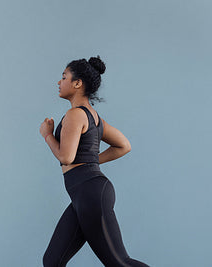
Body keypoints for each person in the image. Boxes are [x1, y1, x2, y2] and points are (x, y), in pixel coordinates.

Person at [39, 55, 150, 267]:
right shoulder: (93, 117)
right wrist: (91, 162)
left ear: (77, 83)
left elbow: (65, 157)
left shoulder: (75, 115)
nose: (59, 82)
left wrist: (47, 135)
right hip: (85, 194)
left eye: (64, 77)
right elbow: (124, 145)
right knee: (52, 261)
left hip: (90, 194)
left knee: (119, 263)